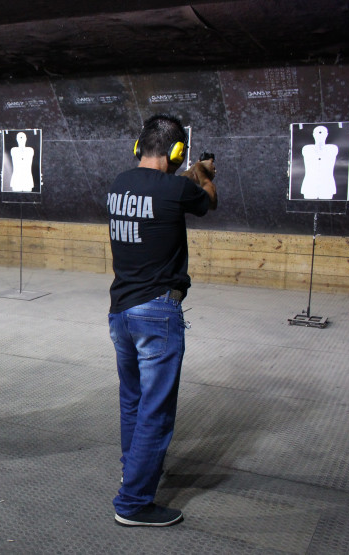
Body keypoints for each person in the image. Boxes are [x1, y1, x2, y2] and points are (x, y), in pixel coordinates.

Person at [106, 114, 217, 526]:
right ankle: (134, 502)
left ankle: (132, 470)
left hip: (121, 311)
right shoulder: (179, 188)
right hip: (157, 312)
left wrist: (185, 175)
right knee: (156, 410)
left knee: (132, 402)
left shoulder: (118, 184)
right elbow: (209, 201)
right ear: (176, 152)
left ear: (139, 147)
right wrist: (203, 173)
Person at [301, 125, 338, 199]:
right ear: (313, 134)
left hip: (327, 185)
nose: (320, 135)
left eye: (322, 132)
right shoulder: (307, 149)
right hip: (310, 185)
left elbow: (323, 152)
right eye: (318, 132)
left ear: (327, 134)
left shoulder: (333, 148)